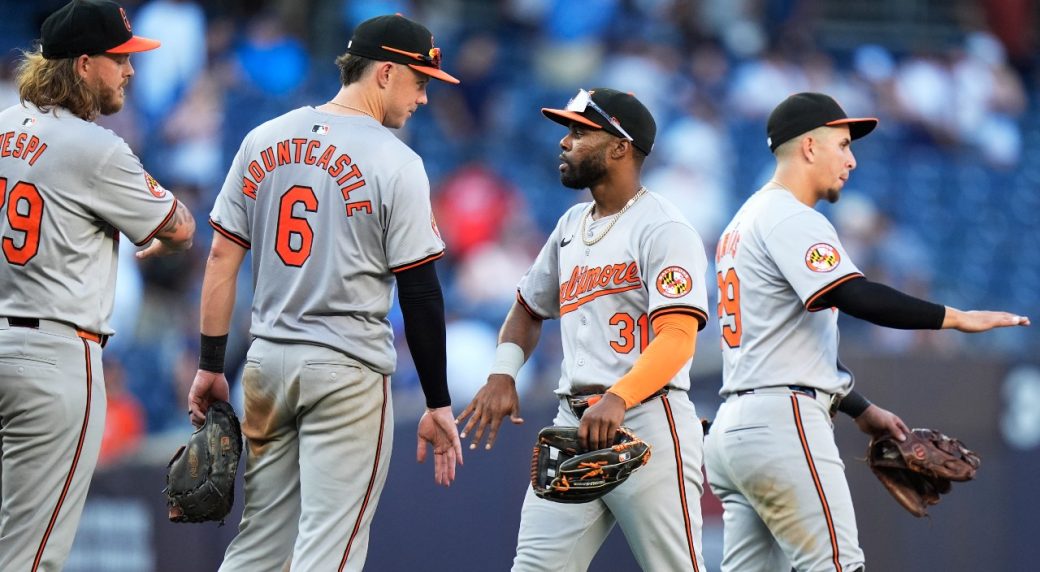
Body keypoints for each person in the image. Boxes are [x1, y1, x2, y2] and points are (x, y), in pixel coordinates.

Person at [703, 92, 1031, 572]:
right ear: (809, 147)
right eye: (842, 145)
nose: (851, 160)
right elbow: (856, 295)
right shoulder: (790, 216)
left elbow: (778, 343)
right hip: (782, 422)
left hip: (738, 428)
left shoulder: (743, 221)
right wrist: (955, 317)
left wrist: (859, 408)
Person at [186, 14, 464, 571]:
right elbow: (420, 293)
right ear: (385, 72)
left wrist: (212, 363)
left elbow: (220, 258)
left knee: (259, 544)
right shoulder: (396, 161)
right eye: (421, 81)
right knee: (329, 548)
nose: (425, 98)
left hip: (266, 365)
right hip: (346, 370)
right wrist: (437, 400)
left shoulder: (263, 137)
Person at [458, 88, 711, 571]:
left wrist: (619, 397)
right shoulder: (572, 224)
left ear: (620, 147)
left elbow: (678, 337)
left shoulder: (664, 228)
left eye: (579, 131)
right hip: (574, 422)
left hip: (646, 418)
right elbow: (528, 310)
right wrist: (502, 374)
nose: (565, 142)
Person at [0, 1, 195, 569]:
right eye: (119, 59)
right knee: (31, 556)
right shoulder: (96, 149)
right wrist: (152, 239)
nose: (131, 71)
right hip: (54, 360)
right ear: (84, 65)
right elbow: (180, 227)